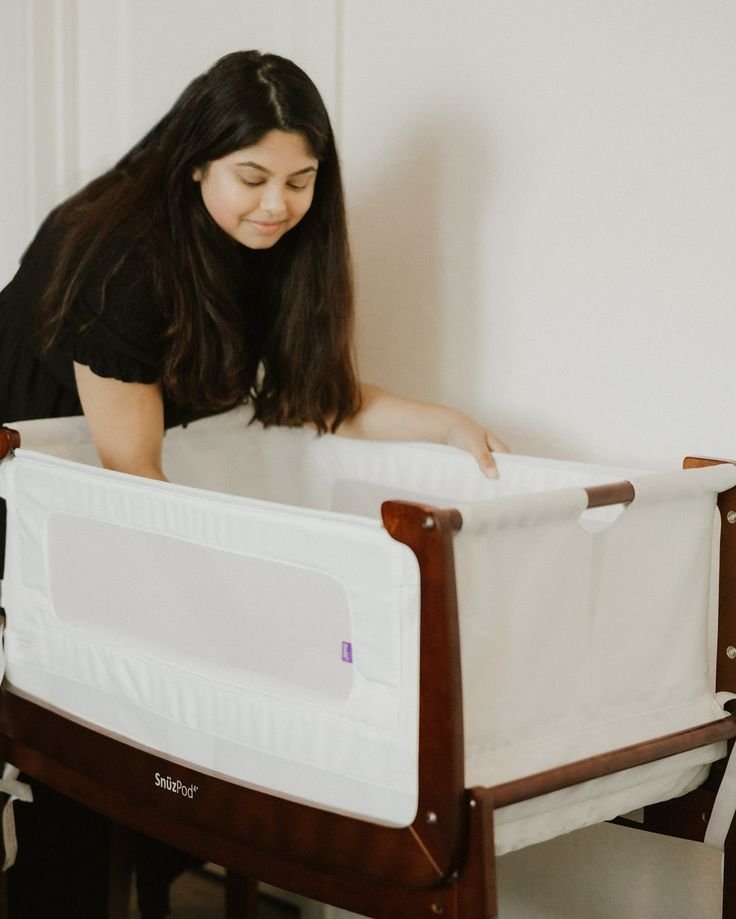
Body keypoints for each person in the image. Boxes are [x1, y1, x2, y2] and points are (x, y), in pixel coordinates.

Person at [0, 50, 507, 916]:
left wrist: (447, 424)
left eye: (302, 180)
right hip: (38, 463)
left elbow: (310, 397)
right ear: (197, 160)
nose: (279, 204)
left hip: (120, 477)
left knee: (162, 730)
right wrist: (236, 599)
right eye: (253, 177)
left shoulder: (267, 244)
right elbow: (134, 476)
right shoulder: (121, 256)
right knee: (80, 732)